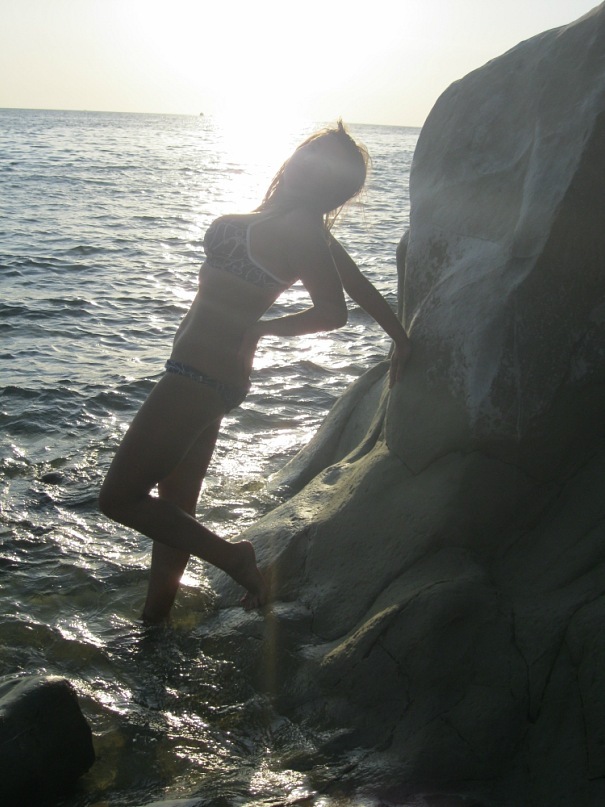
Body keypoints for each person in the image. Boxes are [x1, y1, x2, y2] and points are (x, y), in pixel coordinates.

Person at [99, 121, 411, 625]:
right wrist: (401, 338)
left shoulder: (303, 227)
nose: (309, 166)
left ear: (334, 186)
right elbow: (356, 283)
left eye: (325, 167)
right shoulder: (290, 221)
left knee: (118, 497)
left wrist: (263, 328)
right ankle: (155, 621)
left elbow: (333, 311)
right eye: (311, 153)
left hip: (202, 375)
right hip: (199, 372)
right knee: (175, 507)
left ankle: (234, 558)